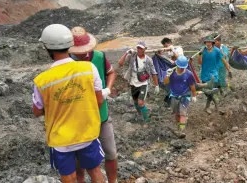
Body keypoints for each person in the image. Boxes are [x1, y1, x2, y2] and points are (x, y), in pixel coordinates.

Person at [32, 24, 105, 183]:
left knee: (70, 177)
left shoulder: (42, 81)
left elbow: (37, 111)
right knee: (95, 170)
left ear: (47, 48)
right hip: (87, 132)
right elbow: (99, 100)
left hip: (61, 140)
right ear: (69, 44)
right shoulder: (88, 68)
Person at [68, 27, 118, 183]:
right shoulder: (68, 62)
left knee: (111, 153)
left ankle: (112, 180)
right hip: (78, 120)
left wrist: (108, 89)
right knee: (79, 161)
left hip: (101, 115)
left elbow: (111, 72)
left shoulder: (99, 57)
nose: (81, 53)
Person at [119, 41, 159, 123]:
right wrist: (126, 53)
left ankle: (146, 120)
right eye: (138, 48)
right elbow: (120, 63)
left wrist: (156, 85)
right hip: (133, 82)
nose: (139, 50)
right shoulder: (132, 56)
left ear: (145, 49)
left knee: (140, 102)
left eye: (141, 48)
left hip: (143, 83)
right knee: (135, 102)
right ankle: (140, 114)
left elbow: (153, 72)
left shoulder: (148, 60)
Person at [164, 56, 197, 138]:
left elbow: (192, 86)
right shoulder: (172, 73)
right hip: (174, 96)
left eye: (183, 67)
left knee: (182, 113)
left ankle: (182, 131)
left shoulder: (188, 74)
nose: (182, 69)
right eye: (180, 67)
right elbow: (165, 83)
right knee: (176, 114)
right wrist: (167, 75)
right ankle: (179, 125)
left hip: (185, 96)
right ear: (177, 65)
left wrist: (194, 95)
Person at [198, 36, 231, 114]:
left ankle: (207, 107)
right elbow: (199, 62)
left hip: (213, 74)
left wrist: (229, 71)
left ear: (212, 43)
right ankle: (215, 101)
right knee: (206, 91)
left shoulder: (217, 51)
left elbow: (224, 60)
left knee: (210, 90)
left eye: (210, 42)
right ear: (205, 43)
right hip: (204, 74)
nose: (208, 43)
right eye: (207, 42)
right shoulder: (203, 50)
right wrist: (200, 53)